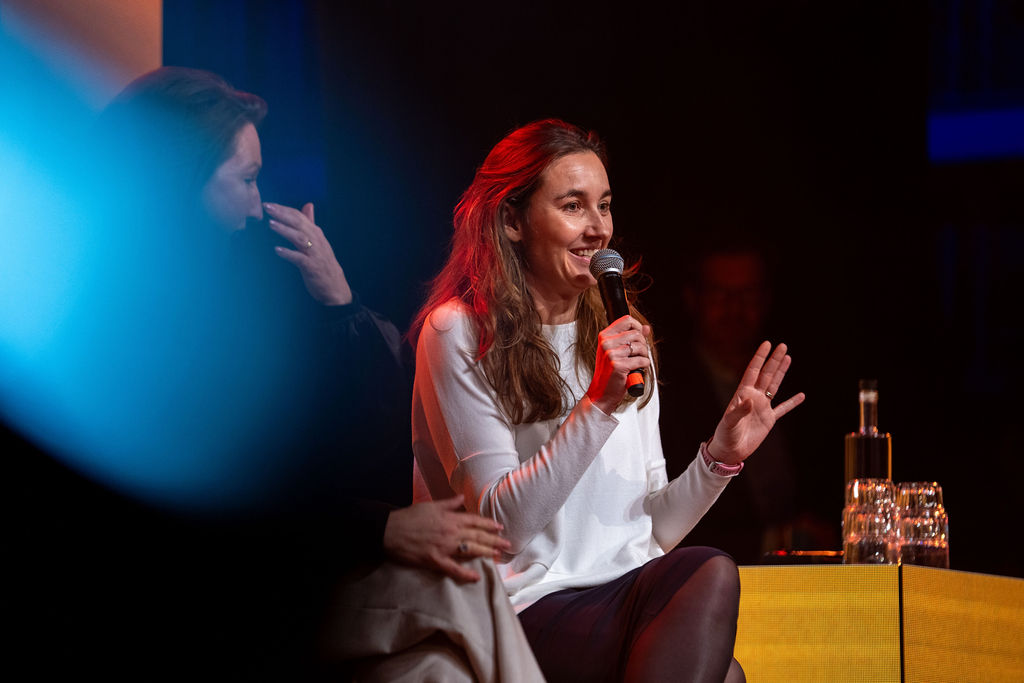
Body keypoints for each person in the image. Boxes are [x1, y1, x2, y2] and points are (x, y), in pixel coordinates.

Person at [43, 66, 543, 681]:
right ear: (179, 175)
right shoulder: (104, 314)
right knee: (466, 584)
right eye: (246, 179)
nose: (258, 206)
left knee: (438, 673)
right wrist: (384, 528)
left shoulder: (209, 296)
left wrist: (339, 301)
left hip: (286, 576)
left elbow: (368, 425)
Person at [410, 119, 805, 682]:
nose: (598, 229)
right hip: (516, 605)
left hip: (620, 595)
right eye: (573, 206)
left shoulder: (625, 334)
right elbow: (502, 528)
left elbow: (651, 531)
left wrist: (720, 458)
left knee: (720, 653)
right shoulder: (459, 332)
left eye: (605, 205)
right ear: (512, 221)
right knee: (717, 617)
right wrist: (596, 406)